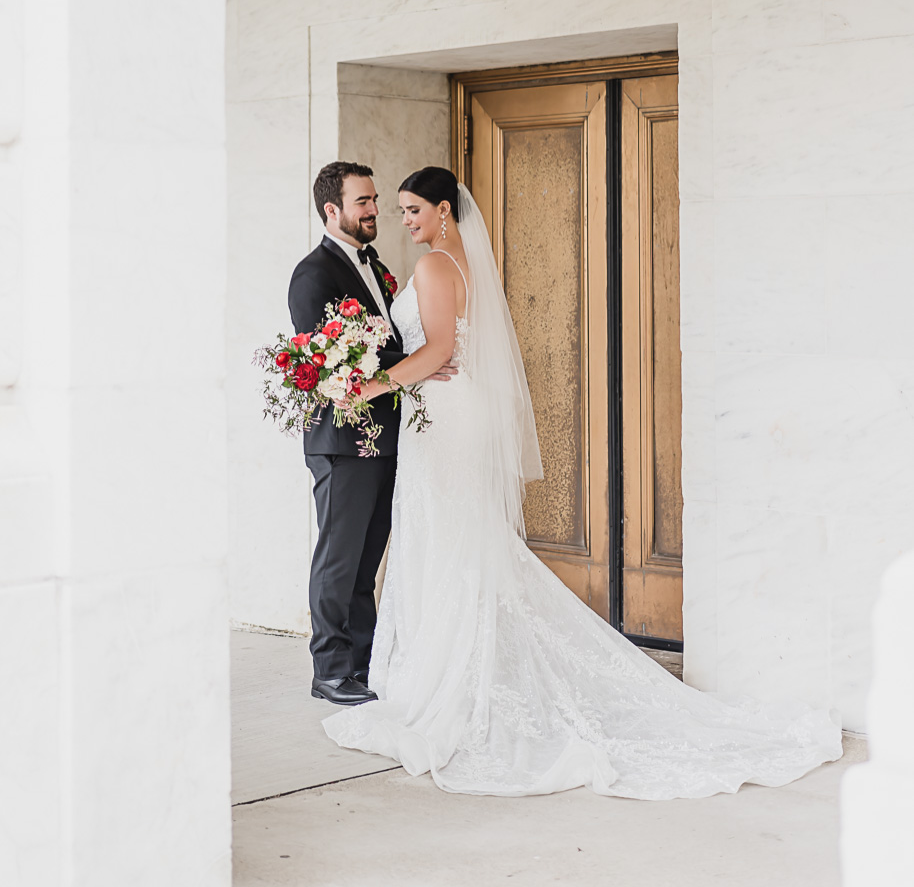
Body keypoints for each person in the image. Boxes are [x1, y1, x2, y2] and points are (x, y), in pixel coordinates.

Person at [322, 165, 843, 797]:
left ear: (444, 211)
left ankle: (450, 679)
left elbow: (435, 352)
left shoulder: (434, 267)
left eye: (412, 210)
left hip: (445, 421)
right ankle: (461, 664)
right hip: (456, 411)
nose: (404, 222)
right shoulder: (460, 262)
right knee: (462, 543)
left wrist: (368, 384)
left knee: (448, 541)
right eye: (397, 210)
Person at [288, 161, 455, 707]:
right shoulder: (313, 275)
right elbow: (325, 364)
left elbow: (387, 346)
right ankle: (330, 669)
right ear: (332, 210)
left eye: (375, 200)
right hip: (343, 440)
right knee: (339, 557)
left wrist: (422, 365)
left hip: (387, 435)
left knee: (367, 559)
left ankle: (362, 662)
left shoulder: (375, 265)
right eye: (364, 202)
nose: (375, 211)